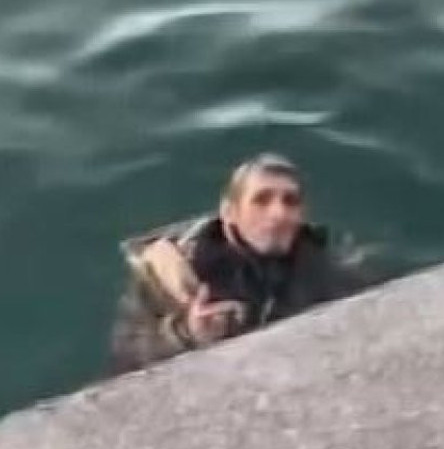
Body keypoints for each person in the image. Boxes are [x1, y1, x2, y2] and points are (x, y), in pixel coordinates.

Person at [109, 153, 368, 374]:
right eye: (261, 200)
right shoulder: (174, 273)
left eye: (290, 201)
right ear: (230, 213)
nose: (278, 213)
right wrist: (188, 334)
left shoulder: (326, 265)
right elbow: (127, 358)